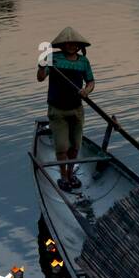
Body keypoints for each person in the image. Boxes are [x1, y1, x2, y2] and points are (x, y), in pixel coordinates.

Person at [37, 26, 95, 191]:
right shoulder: (52, 58)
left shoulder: (83, 61)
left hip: (76, 109)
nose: (72, 45)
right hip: (58, 110)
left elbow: (91, 82)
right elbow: (40, 78)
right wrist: (41, 66)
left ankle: (71, 174)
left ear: (78, 45)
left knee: (75, 146)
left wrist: (86, 90)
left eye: (74, 43)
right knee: (62, 146)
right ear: (63, 44)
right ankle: (63, 176)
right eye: (68, 43)